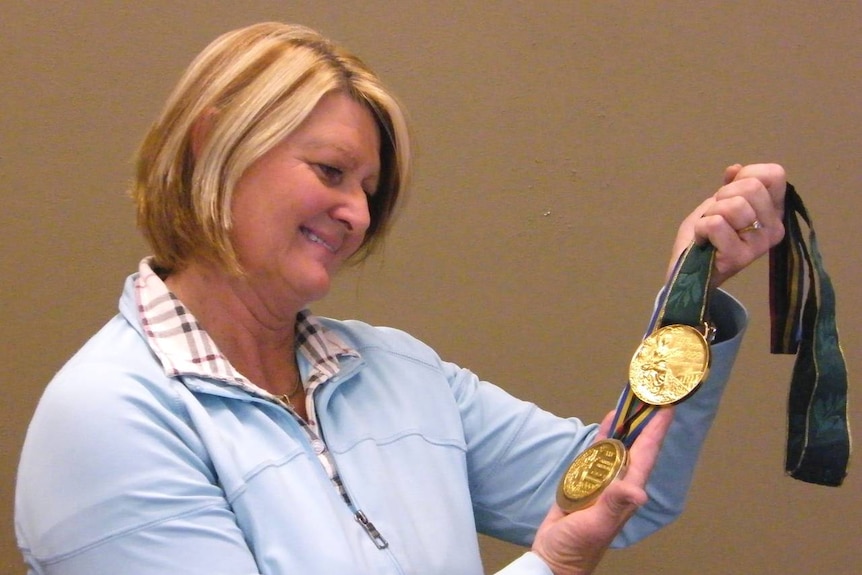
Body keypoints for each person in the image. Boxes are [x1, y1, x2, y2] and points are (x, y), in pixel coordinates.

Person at [14, 22, 786, 575]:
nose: (356, 212)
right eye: (329, 170)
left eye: (370, 189)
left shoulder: (399, 372)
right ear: (215, 143)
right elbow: (569, 537)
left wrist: (692, 297)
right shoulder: (108, 416)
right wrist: (549, 566)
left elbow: (610, 493)